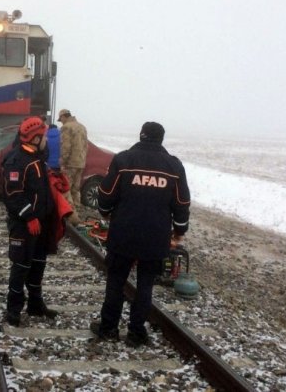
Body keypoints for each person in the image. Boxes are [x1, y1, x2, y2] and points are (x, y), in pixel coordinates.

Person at [90, 121, 190, 347]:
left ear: (141, 136)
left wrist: (105, 212)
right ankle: (136, 333)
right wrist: (179, 230)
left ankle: (108, 329)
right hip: (155, 237)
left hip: (123, 233)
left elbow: (106, 193)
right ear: (161, 139)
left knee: (115, 282)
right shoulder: (174, 166)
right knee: (145, 285)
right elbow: (182, 202)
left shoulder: (123, 160)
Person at [2, 116, 59, 326]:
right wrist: (30, 216)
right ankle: (13, 309)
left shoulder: (37, 157)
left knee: (38, 264)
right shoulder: (16, 160)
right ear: (35, 138)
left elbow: (39, 188)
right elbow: (13, 195)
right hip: (24, 225)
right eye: (43, 135)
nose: (46, 139)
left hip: (41, 223)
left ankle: (36, 305)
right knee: (20, 266)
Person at [57, 108, 87, 223]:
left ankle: (71, 217)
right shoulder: (82, 126)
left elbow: (66, 147)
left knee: (66, 189)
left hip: (70, 164)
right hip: (80, 163)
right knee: (75, 189)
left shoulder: (66, 127)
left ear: (64, 116)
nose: (61, 122)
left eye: (61, 119)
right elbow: (85, 146)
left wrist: (62, 162)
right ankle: (77, 211)